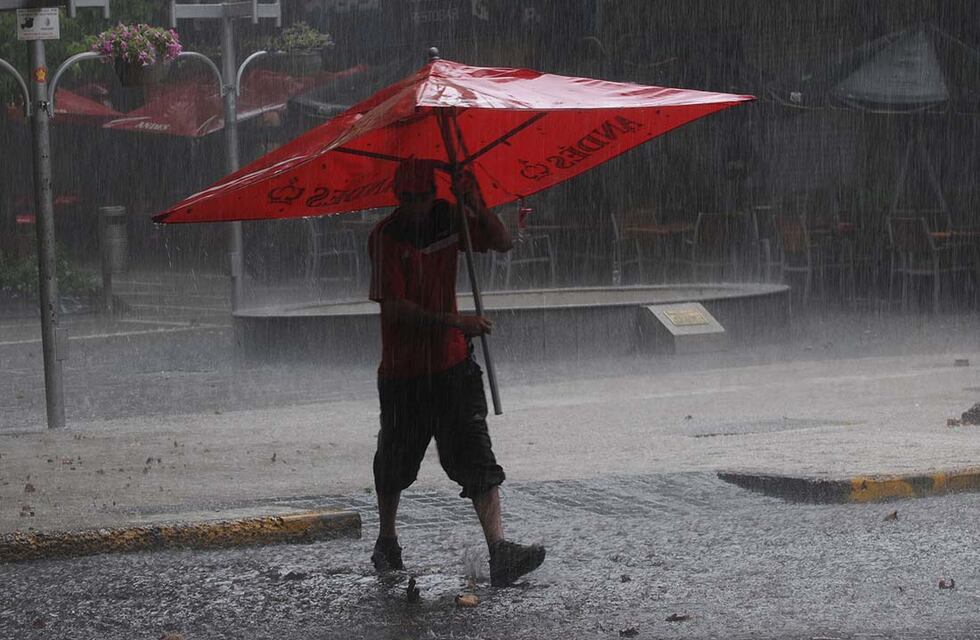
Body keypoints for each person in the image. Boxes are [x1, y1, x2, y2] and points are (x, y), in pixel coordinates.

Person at [367, 158, 546, 587]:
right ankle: (387, 540)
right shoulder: (385, 237)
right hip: (405, 373)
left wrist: (476, 203)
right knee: (394, 462)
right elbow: (396, 308)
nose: (415, 206)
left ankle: (499, 549)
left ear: (434, 194)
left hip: (452, 366)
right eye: (407, 198)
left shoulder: (450, 219)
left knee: (475, 454)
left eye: (422, 197)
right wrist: (454, 322)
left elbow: (502, 242)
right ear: (398, 197)